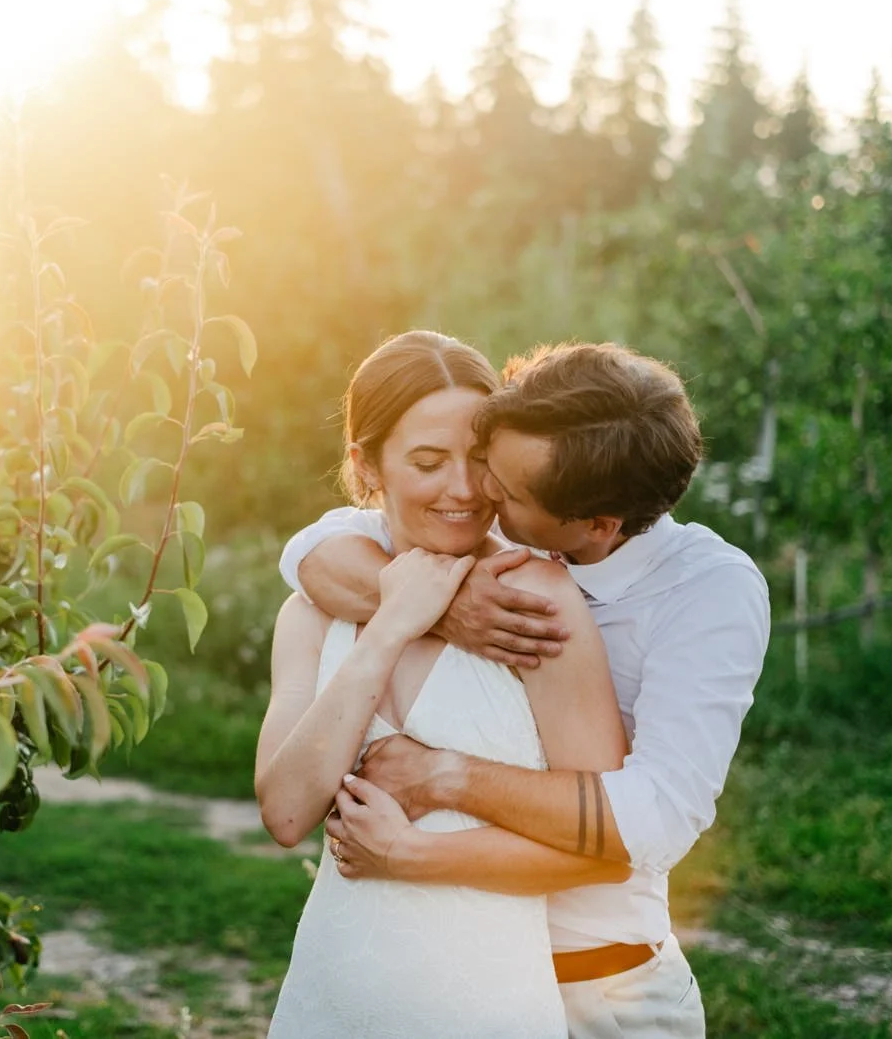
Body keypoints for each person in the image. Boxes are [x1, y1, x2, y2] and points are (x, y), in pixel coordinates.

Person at [281, 340, 771, 1038]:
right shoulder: (534, 517)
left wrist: (440, 791)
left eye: (502, 488)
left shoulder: (708, 591)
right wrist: (444, 609)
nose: (478, 494)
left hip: (602, 993)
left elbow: (654, 820)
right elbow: (318, 544)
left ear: (596, 525)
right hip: (469, 979)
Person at [258, 331, 632, 1038]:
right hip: (333, 996)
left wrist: (412, 855)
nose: (463, 489)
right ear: (366, 464)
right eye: (428, 462)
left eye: (478, 459)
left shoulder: (537, 604)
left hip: (488, 1004)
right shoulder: (311, 610)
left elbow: (607, 846)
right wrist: (393, 623)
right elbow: (284, 812)